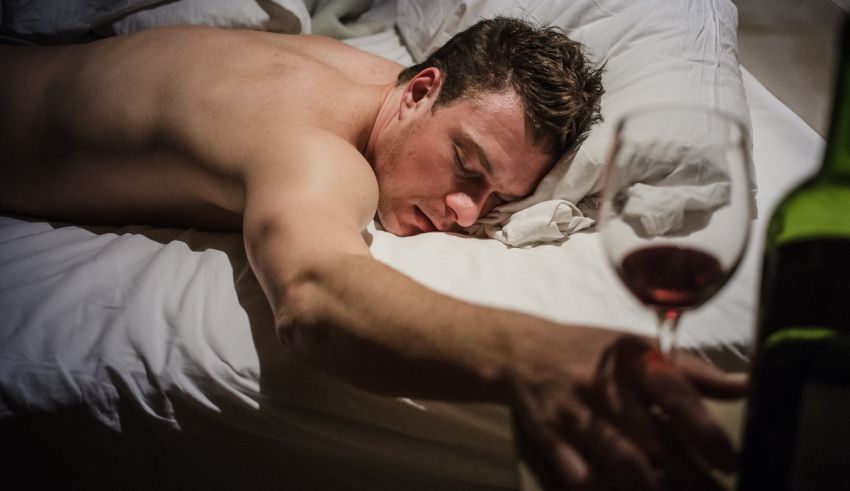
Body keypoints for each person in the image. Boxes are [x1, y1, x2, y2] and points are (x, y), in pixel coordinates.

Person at [0, 17, 744, 489]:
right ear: (422, 89)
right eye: (466, 165)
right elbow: (316, 295)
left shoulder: (362, 75)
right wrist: (531, 355)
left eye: (492, 197)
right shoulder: (319, 153)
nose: (463, 212)